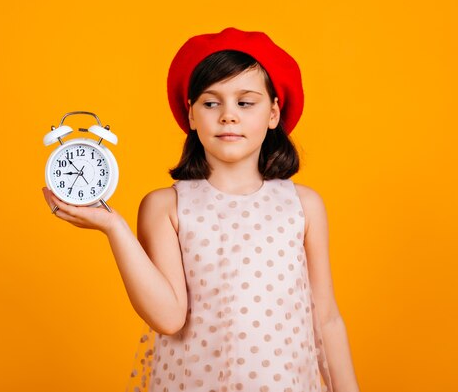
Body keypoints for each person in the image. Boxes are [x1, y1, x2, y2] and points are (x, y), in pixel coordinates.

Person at [42, 27, 360, 392]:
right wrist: (115, 228)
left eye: (245, 102)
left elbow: (326, 319)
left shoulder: (303, 206)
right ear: (191, 114)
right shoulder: (167, 206)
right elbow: (168, 317)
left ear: (273, 112)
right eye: (211, 103)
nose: (228, 116)